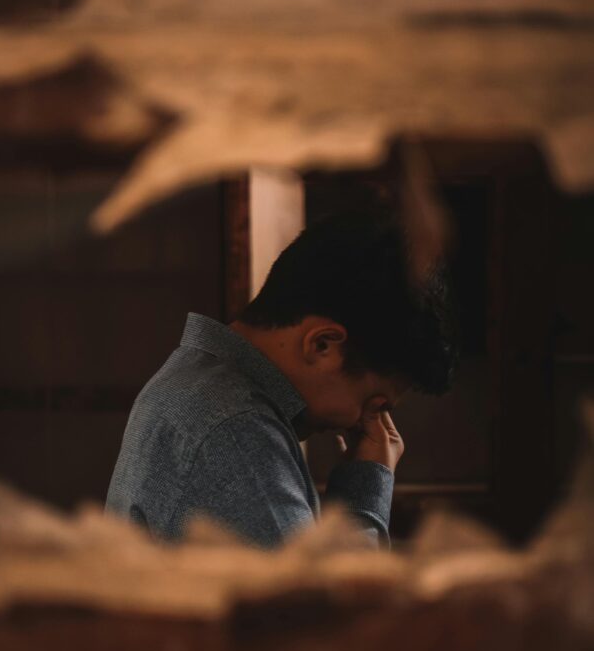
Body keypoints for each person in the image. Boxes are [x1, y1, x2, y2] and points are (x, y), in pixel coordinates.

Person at [106, 204, 457, 548]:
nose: (367, 422)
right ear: (322, 344)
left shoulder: (195, 378)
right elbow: (327, 605)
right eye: (373, 403)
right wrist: (367, 486)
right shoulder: (236, 431)